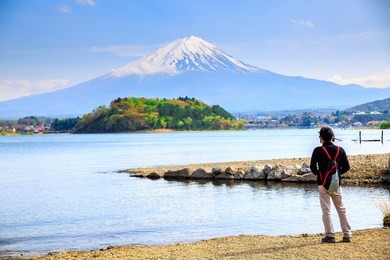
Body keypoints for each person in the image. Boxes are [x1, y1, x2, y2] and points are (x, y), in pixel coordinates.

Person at [310, 126, 352, 243]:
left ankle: (330, 235)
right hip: (336, 184)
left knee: (326, 210)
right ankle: (347, 235)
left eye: (319, 136)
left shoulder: (317, 150)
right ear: (332, 137)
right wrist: (337, 174)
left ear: (321, 138)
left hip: (323, 184)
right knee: (341, 209)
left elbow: (313, 168)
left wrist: (321, 175)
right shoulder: (340, 150)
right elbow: (347, 167)